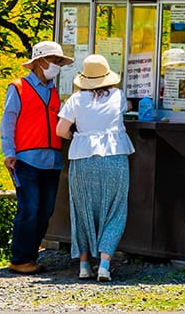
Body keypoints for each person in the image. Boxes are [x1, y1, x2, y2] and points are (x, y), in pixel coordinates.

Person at [56, 54, 134, 282]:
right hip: (115, 157)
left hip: (82, 158)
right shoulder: (119, 96)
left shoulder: (75, 100)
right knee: (115, 211)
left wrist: (78, 137)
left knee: (82, 211)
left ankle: (83, 265)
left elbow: (61, 130)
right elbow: (127, 109)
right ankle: (105, 265)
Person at [1, 40, 72, 274]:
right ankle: (20, 258)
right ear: (40, 61)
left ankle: (29, 257)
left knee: (45, 211)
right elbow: (8, 122)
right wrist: (9, 153)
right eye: (55, 60)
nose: (58, 65)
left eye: (60, 61)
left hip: (52, 160)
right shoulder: (18, 87)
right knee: (29, 209)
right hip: (26, 159)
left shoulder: (54, 91)